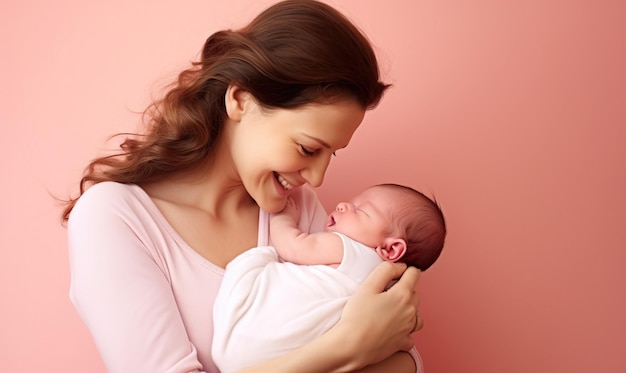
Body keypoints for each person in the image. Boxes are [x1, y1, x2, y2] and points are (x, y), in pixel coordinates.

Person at [62, 1, 425, 372]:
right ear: (240, 100)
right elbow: (370, 343)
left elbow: (403, 358)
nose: (316, 178)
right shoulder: (114, 218)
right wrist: (347, 346)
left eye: (332, 154)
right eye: (308, 148)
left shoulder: (298, 207)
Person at [213, 183, 446, 373]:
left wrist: (282, 218)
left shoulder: (349, 248)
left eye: (361, 209)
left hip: (246, 348)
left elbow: (293, 247)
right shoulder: (389, 289)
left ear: (391, 249)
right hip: (290, 356)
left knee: (256, 259)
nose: (344, 205)